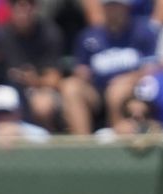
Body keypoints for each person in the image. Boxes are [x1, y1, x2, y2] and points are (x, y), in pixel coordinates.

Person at [61, 0, 156, 135]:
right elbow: (81, 69)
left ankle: (115, 144)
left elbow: (153, 68)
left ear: (126, 8)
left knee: (115, 91)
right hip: (97, 91)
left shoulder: (143, 32)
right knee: (70, 86)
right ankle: (83, 148)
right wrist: (82, 74)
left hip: (131, 91)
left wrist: (129, 78)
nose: (113, 10)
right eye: (109, 6)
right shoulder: (89, 36)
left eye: (117, 6)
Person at [0, 0, 65, 131]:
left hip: (39, 89)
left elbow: (55, 79)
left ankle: (46, 144)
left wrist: (35, 81)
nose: (23, 12)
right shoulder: (1, 35)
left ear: (35, 8)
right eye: (18, 6)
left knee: (43, 105)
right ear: (11, 9)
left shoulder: (49, 33)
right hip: (7, 89)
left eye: (27, 6)